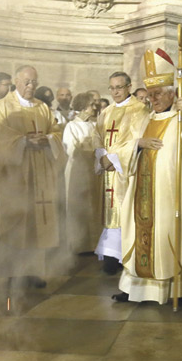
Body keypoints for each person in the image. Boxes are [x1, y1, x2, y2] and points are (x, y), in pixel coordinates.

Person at [112, 48, 182, 304]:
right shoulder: (142, 120)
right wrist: (138, 144)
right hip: (142, 196)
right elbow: (120, 148)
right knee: (142, 238)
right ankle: (135, 289)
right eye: (150, 94)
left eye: (158, 94)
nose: (153, 99)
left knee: (173, 238)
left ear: (172, 94)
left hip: (173, 199)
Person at [0, 65, 66, 306]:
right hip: (14, 176)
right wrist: (23, 141)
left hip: (40, 174)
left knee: (37, 222)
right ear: (16, 81)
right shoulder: (3, 106)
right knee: (15, 223)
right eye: (26, 81)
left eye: (34, 82)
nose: (31, 86)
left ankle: (33, 270)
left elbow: (56, 132)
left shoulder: (42, 107)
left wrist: (48, 139)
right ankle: (10, 274)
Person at [92, 71, 149, 275]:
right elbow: (97, 136)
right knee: (110, 211)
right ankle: (110, 256)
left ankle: (123, 256)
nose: (115, 91)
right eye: (112, 88)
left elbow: (137, 140)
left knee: (124, 212)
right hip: (108, 170)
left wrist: (112, 159)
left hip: (126, 170)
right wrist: (102, 157)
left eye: (119, 87)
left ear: (128, 87)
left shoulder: (139, 110)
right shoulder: (106, 112)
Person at [62, 92, 102, 254]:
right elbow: (70, 149)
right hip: (77, 172)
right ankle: (78, 244)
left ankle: (94, 243)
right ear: (83, 107)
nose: (95, 107)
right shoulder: (72, 126)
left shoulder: (94, 126)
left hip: (93, 171)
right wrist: (90, 150)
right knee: (78, 206)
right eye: (91, 104)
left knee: (93, 206)